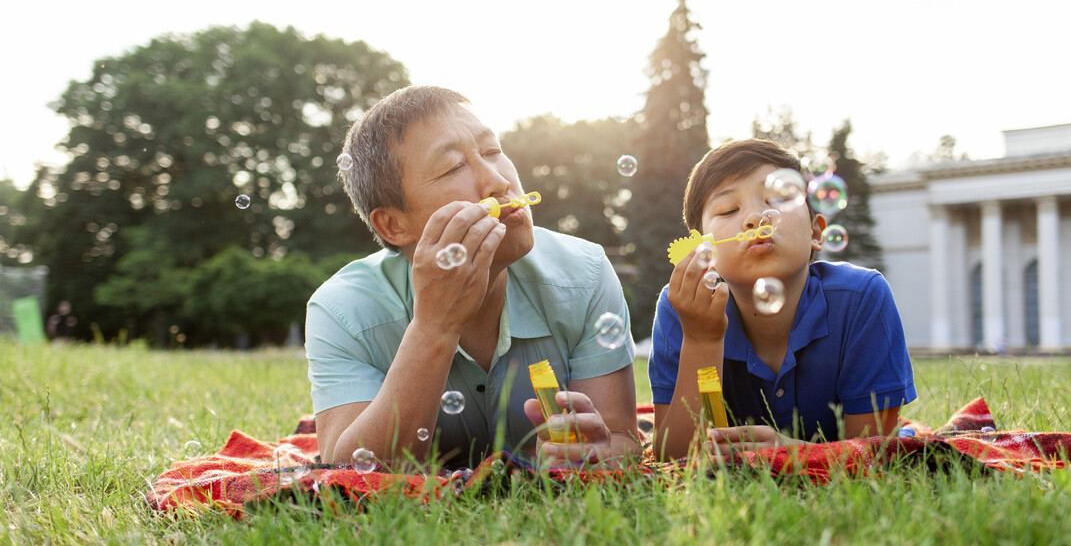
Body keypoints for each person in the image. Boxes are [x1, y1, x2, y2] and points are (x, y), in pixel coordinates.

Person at [305, 86, 640, 470]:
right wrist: (434, 326)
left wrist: (598, 451)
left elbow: (622, 440)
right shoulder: (343, 310)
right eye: (453, 167)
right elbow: (347, 469)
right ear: (394, 224)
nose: (498, 181)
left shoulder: (585, 273)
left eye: (493, 151)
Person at [649, 138, 916, 461]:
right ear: (702, 250)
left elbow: (876, 452)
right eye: (728, 209)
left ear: (817, 232)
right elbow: (673, 458)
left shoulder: (861, 298)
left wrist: (795, 454)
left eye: (778, 199)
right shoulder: (683, 307)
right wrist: (701, 338)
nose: (754, 219)